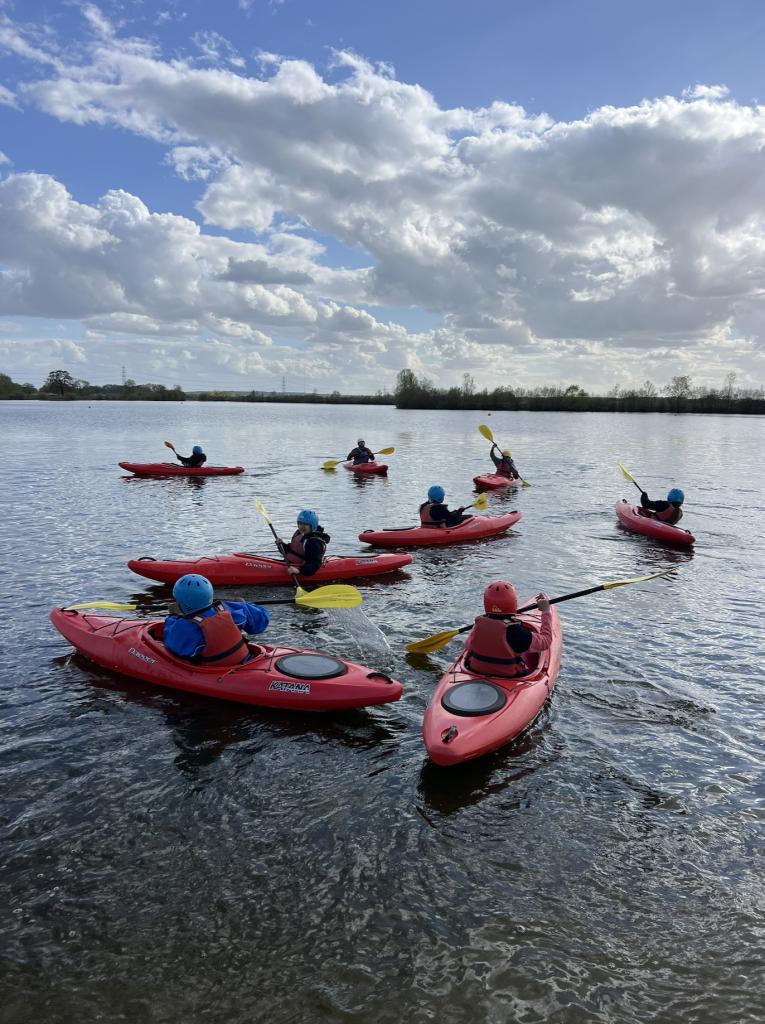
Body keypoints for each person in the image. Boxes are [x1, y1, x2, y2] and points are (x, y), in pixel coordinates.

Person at [163, 574, 269, 665]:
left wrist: (172, 616)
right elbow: (261, 621)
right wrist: (243, 604)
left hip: (219, 673)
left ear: (181, 603)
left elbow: (173, 646)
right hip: (247, 660)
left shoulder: (185, 628)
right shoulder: (229, 608)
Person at [464, 581, 552, 678]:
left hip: (476, 670)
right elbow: (546, 641)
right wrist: (546, 612)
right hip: (508, 676)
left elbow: (468, 646)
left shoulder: (478, 624)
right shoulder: (516, 631)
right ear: (513, 602)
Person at [278, 510, 331, 577]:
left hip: (302, 569)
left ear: (313, 525)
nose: (301, 526)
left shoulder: (313, 542)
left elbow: (315, 564)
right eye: (300, 523)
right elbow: (290, 551)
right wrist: (281, 545)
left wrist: (299, 570)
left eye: (305, 524)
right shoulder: (301, 535)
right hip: (291, 564)